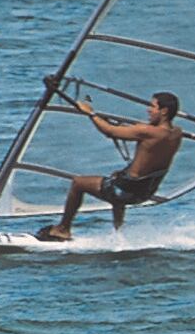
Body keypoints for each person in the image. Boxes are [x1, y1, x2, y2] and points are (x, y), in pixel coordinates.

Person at [35, 92, 184, 241]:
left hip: (126, 190)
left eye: (152, 106)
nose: (148, 110)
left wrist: (91, 113)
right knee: (117, 181)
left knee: (78, 183)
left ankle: (63, 229)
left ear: (164, 111)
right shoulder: (176, 133)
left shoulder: (147, 131)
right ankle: (119, 234)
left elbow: (109, 131)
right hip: (144, 191)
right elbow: (150, 156)